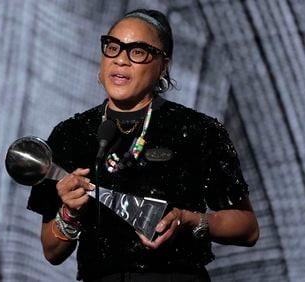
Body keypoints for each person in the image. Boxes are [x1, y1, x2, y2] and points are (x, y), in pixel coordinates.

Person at [27, 9, 259, 281]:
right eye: (113, 48)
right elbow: (52, 252)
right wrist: (69, 213)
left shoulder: (199, 131)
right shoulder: (70, 134)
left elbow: (248, 229)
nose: (121, 60)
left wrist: (188, 220)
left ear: (164, 65)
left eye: (137, 52)